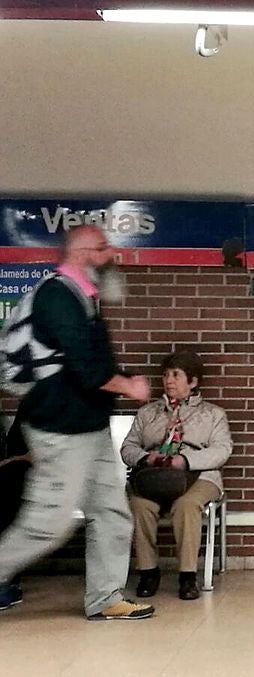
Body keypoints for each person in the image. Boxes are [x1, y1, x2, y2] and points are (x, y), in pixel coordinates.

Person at [0, 225, 154, 620]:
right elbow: (86, 369)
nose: (111, 255)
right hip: (60, 428)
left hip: (88, 425)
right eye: (104, 248)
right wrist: (130, 386)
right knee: (48, 524)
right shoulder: (57, 296)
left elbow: (91, 364)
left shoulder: (81, 298)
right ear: (84, 252)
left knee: (111, 512)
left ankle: (106, 599)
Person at [121, 351, 232, 601]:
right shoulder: (148, 413)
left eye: (175, 375)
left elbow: (222, 450)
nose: (169, 381)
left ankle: (187, 575)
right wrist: (147, 458)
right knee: (140, 505)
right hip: (154, 475)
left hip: (199, 476)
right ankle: (148, 571)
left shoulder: (213, 414)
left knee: (186, 505)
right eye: (165, 375)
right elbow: (128, 447)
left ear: (192, 382)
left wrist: (186, 461)